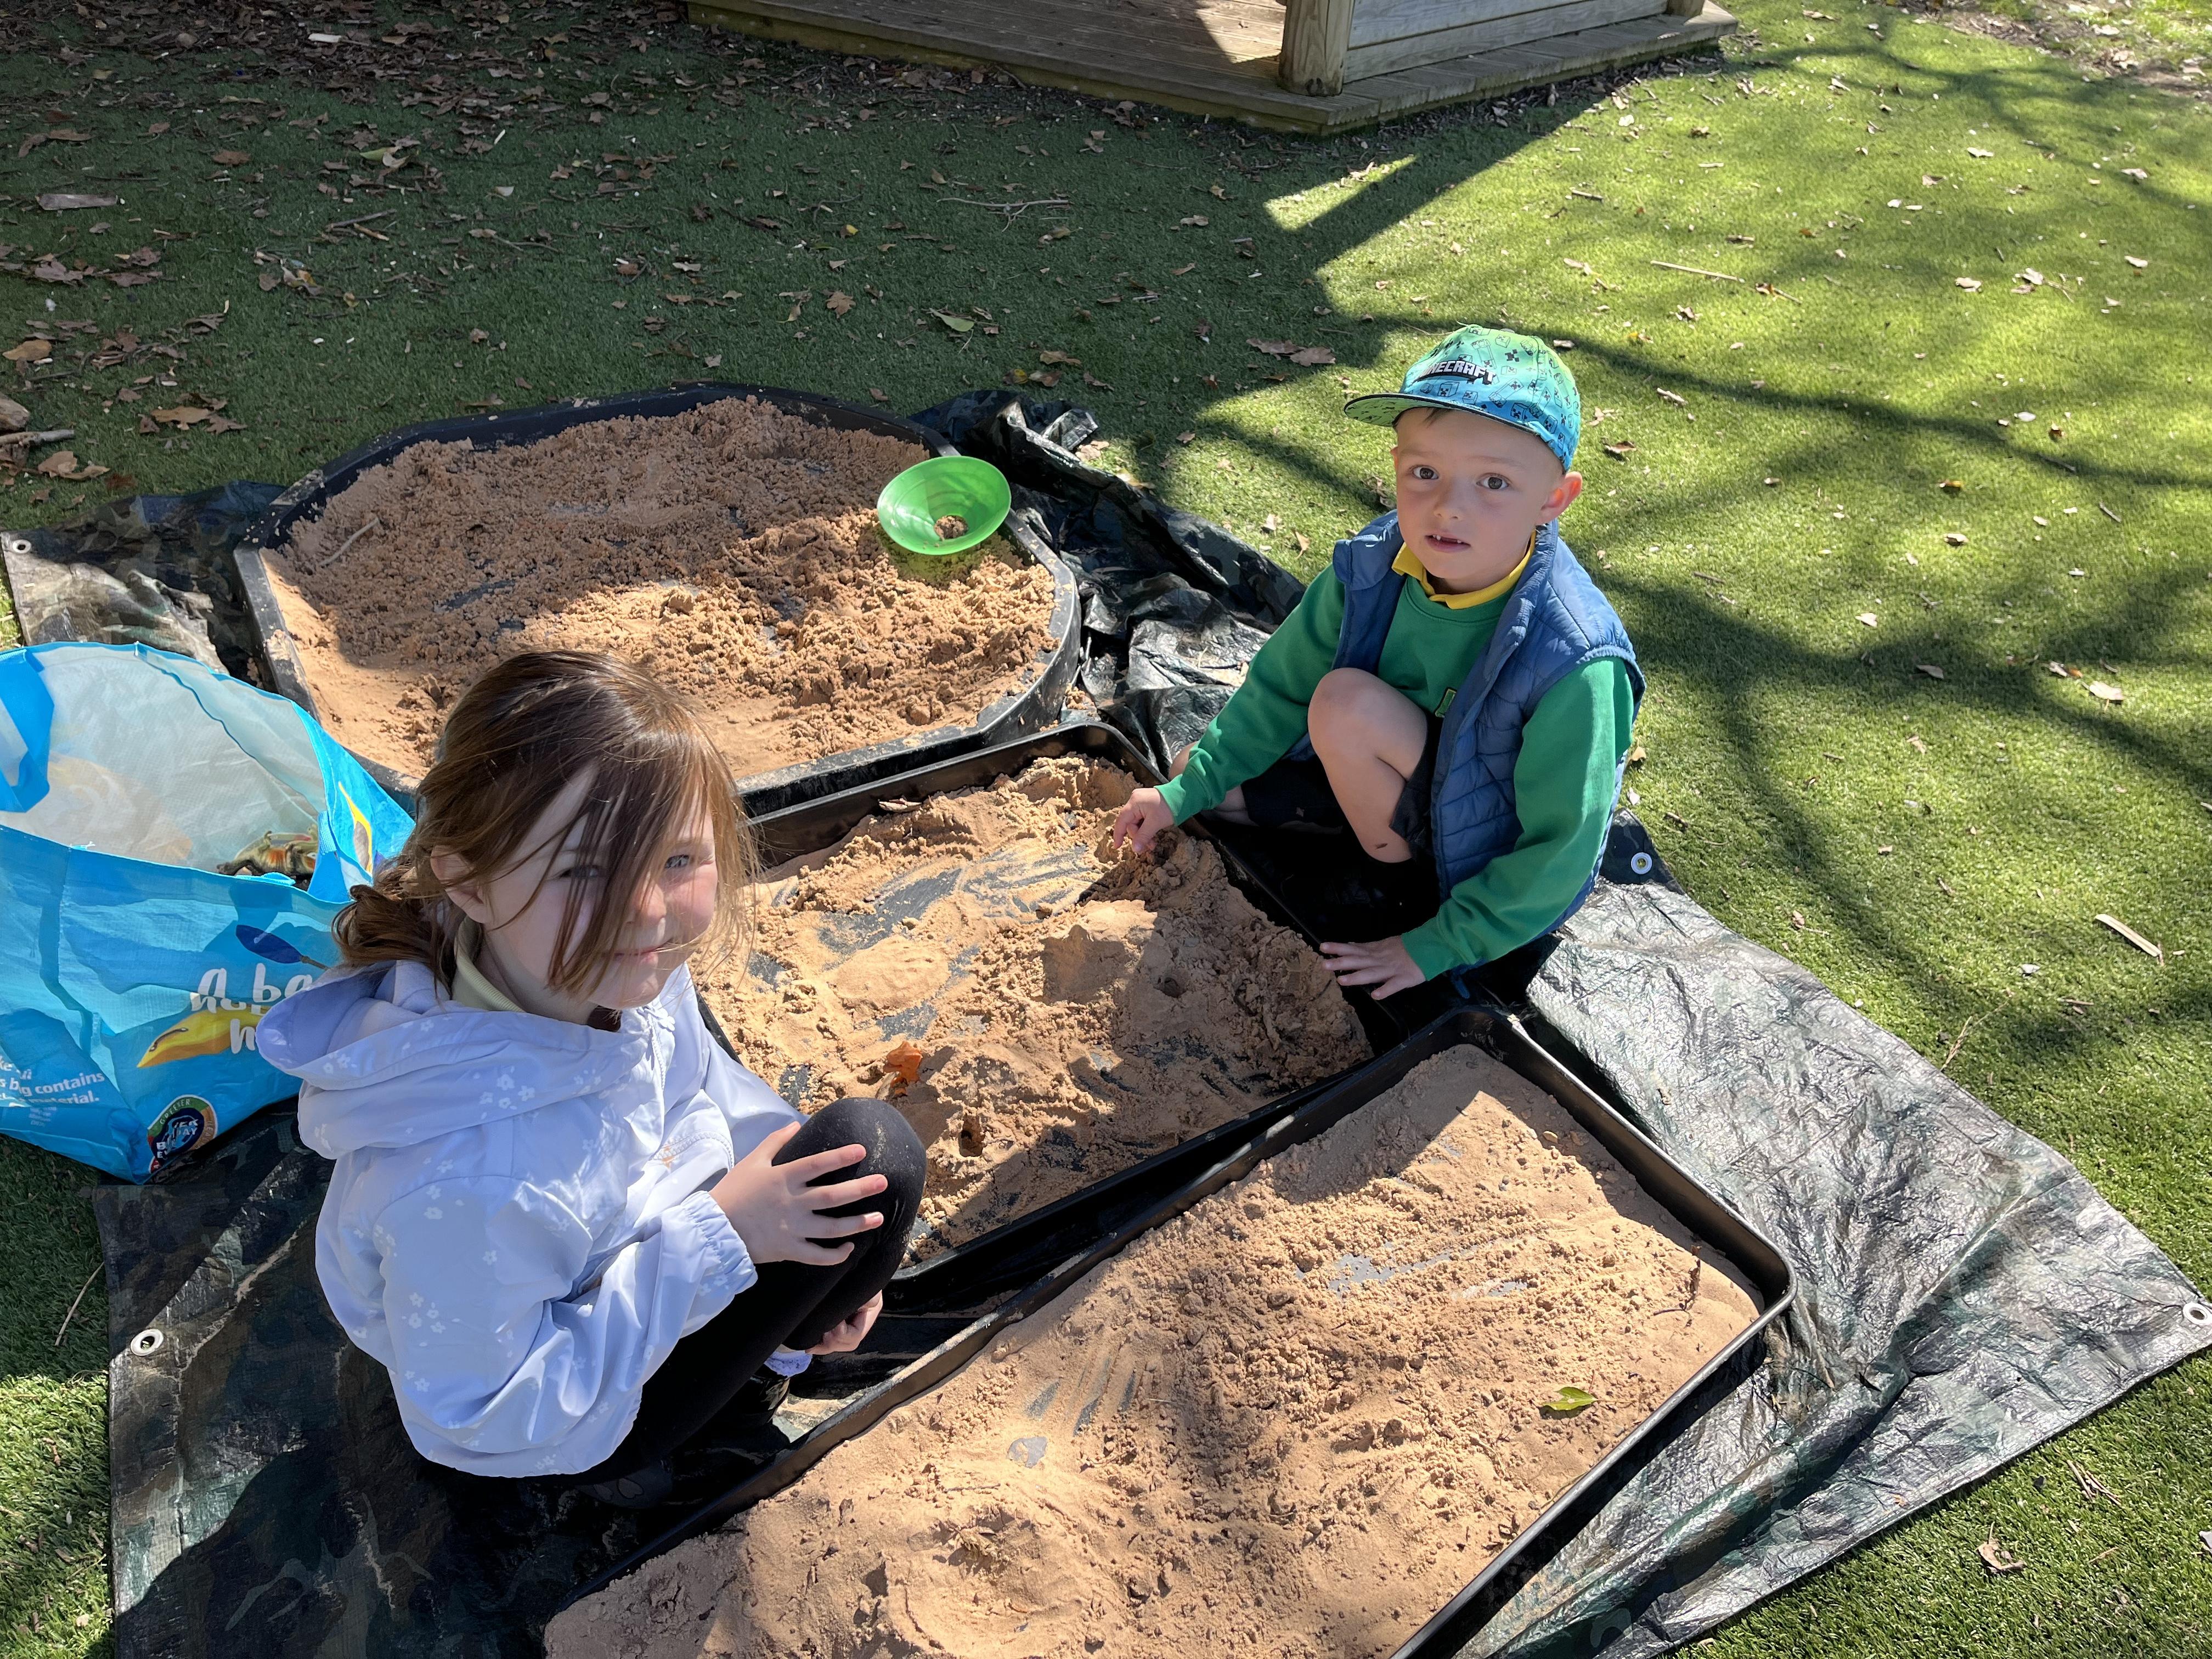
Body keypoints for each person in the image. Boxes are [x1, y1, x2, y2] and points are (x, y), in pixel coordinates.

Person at [257, 650, 924, 1509]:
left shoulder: (597, 970)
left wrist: (800, 1265)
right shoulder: (464, 1183)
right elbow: (487, 1417)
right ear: (470, 882)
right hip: (559, 1410)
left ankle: (777, 1331)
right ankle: (713, 1404)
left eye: (678, 859)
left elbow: (700, 1084)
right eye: (582, 871)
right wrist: (725, 1239)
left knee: (851, 1165)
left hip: (637, 1238)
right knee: (877, 1157)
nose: (645, 909)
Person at [1113, 326, 1642, 999]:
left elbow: (1560, 850)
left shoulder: (1577, 660)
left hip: (1482, 838)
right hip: (1402, 765)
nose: (1448, 507)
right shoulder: (1375, 562)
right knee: (1196, 774)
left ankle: (1396, 885)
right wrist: (1184, 793)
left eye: (1494, 482)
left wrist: (1440, 943)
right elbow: (1280, 687)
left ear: (1554, 499)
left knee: (1345, 705)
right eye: (1426, 473)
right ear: (1397, 464)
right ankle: (1360, 819)